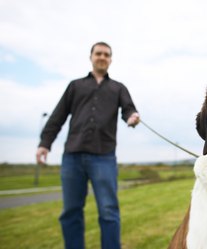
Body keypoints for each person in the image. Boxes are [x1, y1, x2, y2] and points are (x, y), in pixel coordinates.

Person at [36, 41, 140, 249]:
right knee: (71, 211)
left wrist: (131, 117)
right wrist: (44, 143)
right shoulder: (75, 86)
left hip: (104, 157)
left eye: (106, 54)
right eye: (98, 53)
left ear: (110, 60)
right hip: (72, 157)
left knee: (109, 211)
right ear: (91, 57)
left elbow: (129, 110)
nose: (102, 57)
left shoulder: (118, 88)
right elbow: (58, 116)